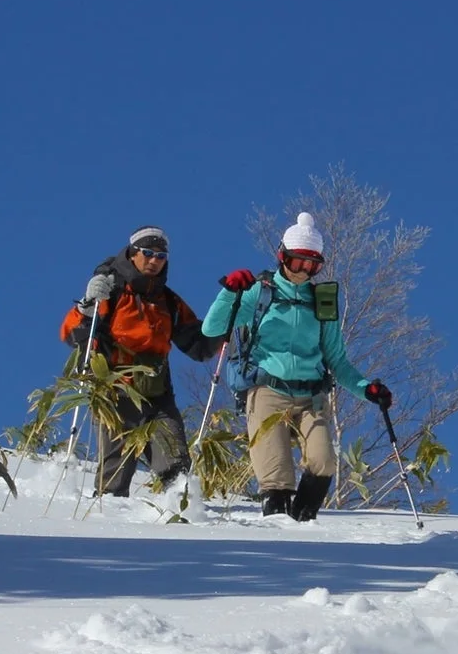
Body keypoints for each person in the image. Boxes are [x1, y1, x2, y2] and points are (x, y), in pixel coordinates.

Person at [203, 211, 391, 522]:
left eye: (313, 265)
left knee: (324, 462)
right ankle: (279, 526)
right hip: (267, 390)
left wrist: (366, 390)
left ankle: (303, 522)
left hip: (310, 396)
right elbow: (212, 329)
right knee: (276, 475)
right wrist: (230, 292)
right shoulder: (258, 292)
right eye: (298, 262)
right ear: (282, 256)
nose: (305, 271)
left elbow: (337, 361)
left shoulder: (322, 302)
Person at [59, 226, 221, 498]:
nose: (154, 260)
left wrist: (225, 318)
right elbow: (72, 334)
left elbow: (199, 345)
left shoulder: (168, 301)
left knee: (176, 465)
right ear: (133, 253)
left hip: (158, 395)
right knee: (116, 470)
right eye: (147, 253)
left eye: (160, 255)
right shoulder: (111, 289)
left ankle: (182, 518)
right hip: (116, 390)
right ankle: (108, 524)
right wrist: (86, 307)